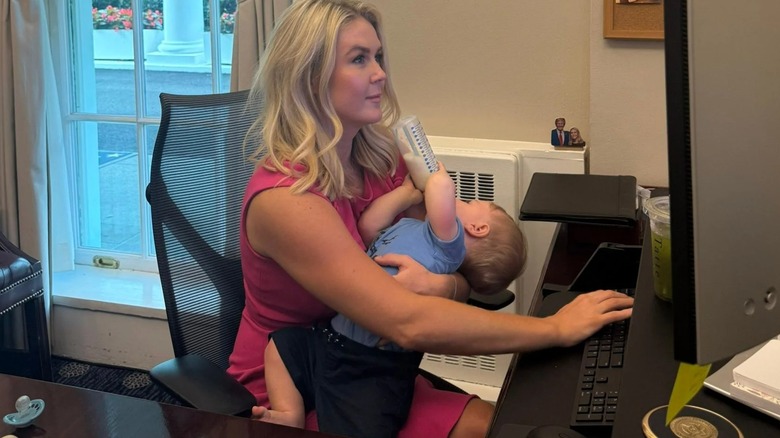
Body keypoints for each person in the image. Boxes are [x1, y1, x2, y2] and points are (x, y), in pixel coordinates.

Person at [226, 1, 634, 437]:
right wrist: (553, 328)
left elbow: (455, 259)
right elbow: (406, 319)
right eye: (359, 59)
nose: (381, 73)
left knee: (514, 423)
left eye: (378, 56)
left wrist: (446, 285)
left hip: (372, 365)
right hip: (294, 384)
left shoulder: (380, 157)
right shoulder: (287, 201)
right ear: (309, 76)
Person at [257, 164, 527, 437]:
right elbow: (369, 226)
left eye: (470, 202)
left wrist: (434, 171)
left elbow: (441, 188)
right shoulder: (414, 227)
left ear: (477, 228)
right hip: (332, 339)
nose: (461, 200)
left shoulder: (448, 246)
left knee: (363, 425)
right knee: (283, 344)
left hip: (372, 367)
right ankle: (289, 414)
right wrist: (406, 195)